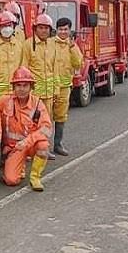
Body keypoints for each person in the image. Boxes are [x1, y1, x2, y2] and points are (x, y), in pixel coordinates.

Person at [0, 66, 53, 191]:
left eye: (25, 85)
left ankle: (35, 177)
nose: (21, 89)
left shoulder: (38, 104)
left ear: (31, 87)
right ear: (14, 87)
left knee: (43, 146)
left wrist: (27, 141)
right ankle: (18, 165)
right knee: (11, 180)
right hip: (14, 148)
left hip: (30, 145)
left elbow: (46, 129)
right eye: (18, 85)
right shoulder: (5, 101)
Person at [52, 18, 83, 156]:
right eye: (60, 29)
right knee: (45, 117)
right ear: (56, 30)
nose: (63, 32)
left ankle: (58, 145)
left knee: (61, 116)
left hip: (64, 87)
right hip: (49, 86)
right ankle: (43, 148)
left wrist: (72, 47)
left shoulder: (73, 46)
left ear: (69, 31)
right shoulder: (49, 43)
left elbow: (78, 64)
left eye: (65, 29)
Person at [21, 13, 57, 118]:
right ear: (35, 29)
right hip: (34, 95)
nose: (43, 30)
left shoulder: (52, 45)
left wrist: (56, 90)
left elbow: (55, 69)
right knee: (32, 122)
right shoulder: (28, 45)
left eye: (46, 28)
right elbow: (24, 69)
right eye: (40, 28)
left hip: (49, 94)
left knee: (47, 122)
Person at [0, 11, 24, 99]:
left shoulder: (19, 45)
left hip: (15, 92)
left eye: (9, 25)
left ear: (14, 27)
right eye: (4, 26)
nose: (7, 28)